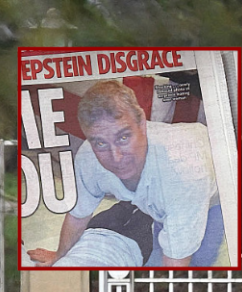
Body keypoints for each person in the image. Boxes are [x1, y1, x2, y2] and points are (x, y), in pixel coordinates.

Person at [30, 80, 223, 268]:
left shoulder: (182, 175)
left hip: (218, 187)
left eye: (123, 137)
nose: (116, 157)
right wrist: (59, 255)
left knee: (200, 261)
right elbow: (78, 216)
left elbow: (176, 265)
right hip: (170, 189)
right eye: (101, 143)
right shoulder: (88, 157)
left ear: (142, 122)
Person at [27, 200, 154, 267]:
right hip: (132, 248)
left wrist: (59, 255)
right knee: (149, 211)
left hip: (96, 230)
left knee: (127, 202)